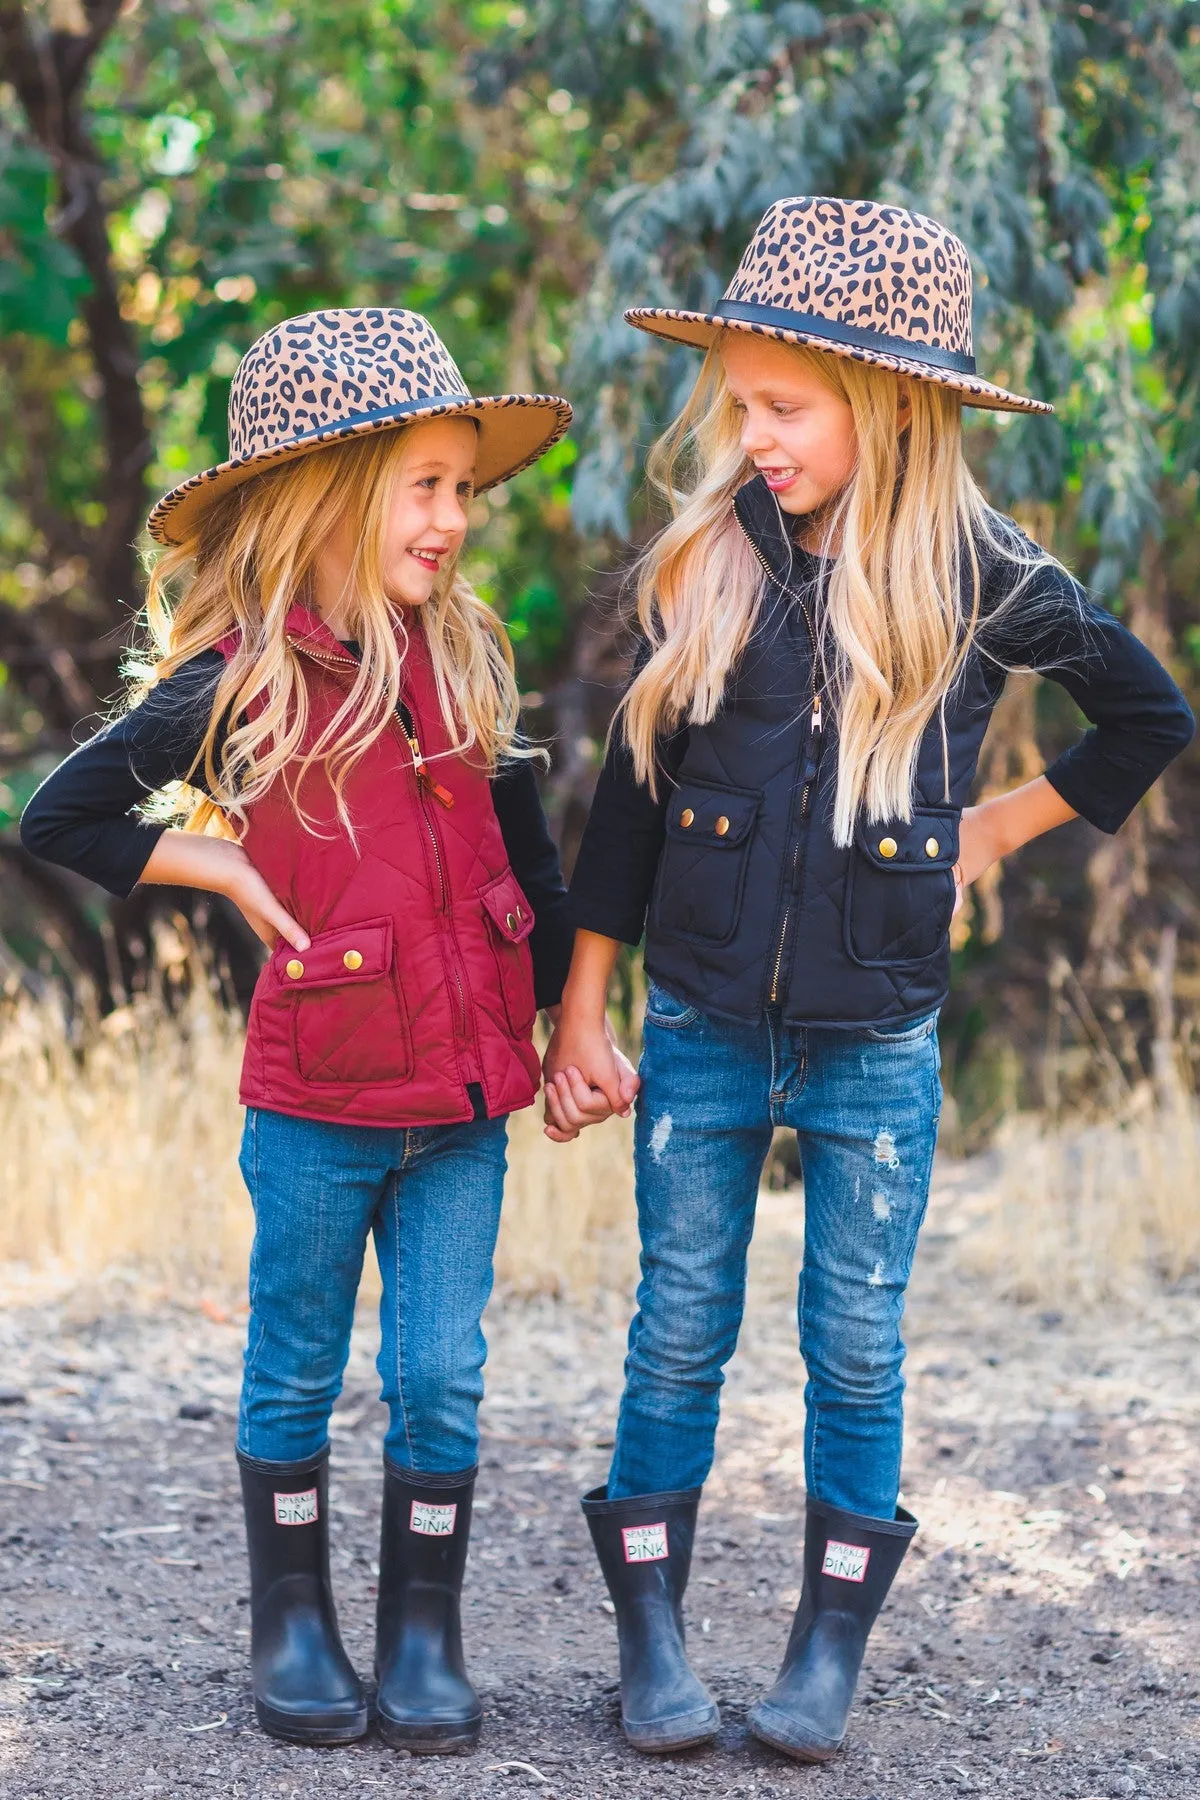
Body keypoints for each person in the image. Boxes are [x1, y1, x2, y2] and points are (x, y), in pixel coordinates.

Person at [541, 197, 1194, 1762]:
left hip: (876, 1043)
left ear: (889, 410)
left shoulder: (982, 574)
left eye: (783, 408)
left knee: (856, 1341)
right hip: (694, 1024)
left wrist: (1002, 826)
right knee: (678, 1328)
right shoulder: (706, 560)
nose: (750, 435)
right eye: (739, 406)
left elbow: (1149, 716)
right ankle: (653, 1636)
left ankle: (826, 1651)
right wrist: (578, 1008)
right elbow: (627, 805)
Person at [21, 308, 576, 1755]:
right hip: (318, 1110)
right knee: (294, 1365)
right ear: (330, 495)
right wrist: (203, 857)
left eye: (466, 487)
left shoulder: (470, 659)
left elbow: (534, 873)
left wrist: (574, 1024)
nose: (455, 519)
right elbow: (60, 814)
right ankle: (292, 1620)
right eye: (425, 486)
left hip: (462, 1110)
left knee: (444, 1372)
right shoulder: (241, 682)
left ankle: (422, 1633)